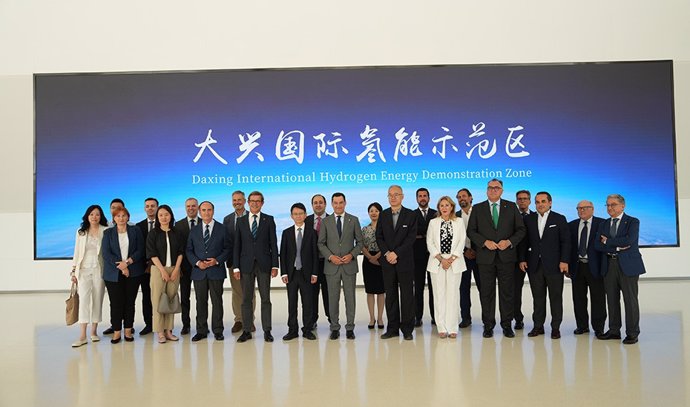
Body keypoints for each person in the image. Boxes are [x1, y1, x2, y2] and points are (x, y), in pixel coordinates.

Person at [466, 178, 525, 339]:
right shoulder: (477, 208)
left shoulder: (511, 207)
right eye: (490, 188)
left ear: (502, 191)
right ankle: (488, 325)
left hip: (506, 257)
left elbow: (520, 230)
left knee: (507, 293)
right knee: (486, 293)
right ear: (486, 190)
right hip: (485, 258)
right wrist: (484, 242)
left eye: (496, 188)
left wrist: (509, 242)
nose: (493, 190)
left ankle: (507, 325)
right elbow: (471, 231)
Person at [594, 194, 646, 344]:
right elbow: (598, 245)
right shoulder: (603, 224)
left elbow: (629, 240)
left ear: (622, 206)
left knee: (630, 301)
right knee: (611, 299)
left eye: (613, 204)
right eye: (608, 205)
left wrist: (608, 242)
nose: (610, 208)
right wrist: (617, 246)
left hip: (628, 266)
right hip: (609, 265)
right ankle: (614, 330)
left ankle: (632, 333)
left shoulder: (632, 221)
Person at [518, 192, 571, 339]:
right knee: (538, 298)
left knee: (555, 297)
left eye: (543, 201)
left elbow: (566, 242)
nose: (540, 204)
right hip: (534, 265)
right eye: (537, 202)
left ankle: (555, 328)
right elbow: (524, 241)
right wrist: (522, 259)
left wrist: (564, 260)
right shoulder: (529, 219)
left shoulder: (559, 219)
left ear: (550, 203)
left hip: (554, 265)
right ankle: (538, 326)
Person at [234, 191, 280, 343]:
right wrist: (236, 267)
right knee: (246, 299)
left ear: (262, 203)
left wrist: (275, 265)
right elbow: (237, 246)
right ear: (248, 202)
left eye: (257, 201)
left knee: (265, 298)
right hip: (245, 265)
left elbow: (273, 243)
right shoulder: (240, 221)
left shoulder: (269, 220)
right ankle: (246, 330)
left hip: (264, 265)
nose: (254, 203)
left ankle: (267, 331)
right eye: (252, 201)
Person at [317, 192, 363, 340]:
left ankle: (350, 327)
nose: (338, 205)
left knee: (350, 298)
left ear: (345, 203)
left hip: (349, 265)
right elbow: (321, 243)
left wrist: (352, 255)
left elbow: (360, 243)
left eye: (340, 202)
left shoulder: (354, 220)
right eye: (335, 203)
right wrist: (330, 257)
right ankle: (335, 327)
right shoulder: (325, 222)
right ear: (332, 204)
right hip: (332, 266)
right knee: (332, 298)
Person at [376, 185, 418, 341]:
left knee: (407, 296)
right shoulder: (384, 215)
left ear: (402, 196)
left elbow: (411, 238)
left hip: (404, 261)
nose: (393, 197)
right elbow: (379, 236)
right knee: (391, 295)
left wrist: (397, 253)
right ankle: (392, 328)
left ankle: (407, 329)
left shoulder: (410, 215)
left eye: (396, 194)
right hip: (388, 262)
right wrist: (388, 253)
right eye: (390, 195)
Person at [186, 201, 231, 342]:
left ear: (213, 211)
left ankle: (218, 330)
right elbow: (189, 250)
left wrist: (216, 261)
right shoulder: (194, 230)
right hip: (199, 272)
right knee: (201, 302)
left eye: (209, 210)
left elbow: (228, 249)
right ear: (199, 212)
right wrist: (198, 263)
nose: (206, 212)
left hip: (216, 271)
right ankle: (201, 330)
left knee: (217, 302)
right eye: (204, 210)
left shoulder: (222, 229)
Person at [101, 207, 146, 343]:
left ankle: (128, 330)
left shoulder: (135, 230)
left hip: (133, 272)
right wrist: (121, 266)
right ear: (114, 218)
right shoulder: (108, 233)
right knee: (116, 303)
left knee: (129, 302)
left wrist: (127, 263)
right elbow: (106, 253)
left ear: (128, 217)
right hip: (113, 274)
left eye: (124, 215)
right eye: (118, 216)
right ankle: (116, 332)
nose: (121, 218)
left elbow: (140, 249)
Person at [426, 196, 466, 338]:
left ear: (452, 207)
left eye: (447, 205)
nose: (444, 208)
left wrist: (451, 259)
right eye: (441, 205)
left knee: (453, 295)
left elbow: (462, 241)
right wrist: (441, 259)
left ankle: (453, 327)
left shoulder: (459, 222)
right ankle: (441, 327)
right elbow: (429, 242)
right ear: (438, 208)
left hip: (455, 263)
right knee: (439, 295)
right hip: (437, 263)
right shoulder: (433, 222)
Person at [70, 205, 108, 347]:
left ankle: (94, 332)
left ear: (101, 216)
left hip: (99, 269)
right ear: (87, 216)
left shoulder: (106, 230)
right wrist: (73, 271)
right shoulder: (81, 232)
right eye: (91, 214)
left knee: (97, 299)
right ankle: (82, 335)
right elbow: (76, 252)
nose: (94, 217)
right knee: (84, 300)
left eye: (97, 214)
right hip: (83, 270)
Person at [279, 203, 318, 341]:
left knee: (307, 303)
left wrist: (314, 273)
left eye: (301, 213)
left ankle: (307, 330)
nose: (298, 216)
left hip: (307, 274)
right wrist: (283, 273)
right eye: (295, 214)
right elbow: (283, 254)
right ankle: (292, 330)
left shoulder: (312, 232)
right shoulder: (286, 232)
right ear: (291, 216)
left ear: (305, 215)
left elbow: (315, 254)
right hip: (291, 273)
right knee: (292, 303)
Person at [146, 205, 185, 344]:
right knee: (157, 301)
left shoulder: (177, 232)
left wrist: (176, 270)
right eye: (161, 215)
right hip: (158, 270)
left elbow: (181, 252)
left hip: (174, 270)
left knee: (170, 300)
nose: (164, 217)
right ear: (157, 217)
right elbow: (151, 253)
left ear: (171, 215)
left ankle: (169, 331)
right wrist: (162, 270)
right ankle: (160, 332)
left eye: (166, 214)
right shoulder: (153, 233)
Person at [568, 200, 606, 337]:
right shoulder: (571, 225)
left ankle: (599, 328)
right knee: (578, 299)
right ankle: (582, 326)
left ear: (592, 209)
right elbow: (568, 247)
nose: (582, 210)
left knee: (598, 299)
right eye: (579, 208)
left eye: (585, 208)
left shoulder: (602, 224)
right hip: (577, 267)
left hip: (595, 268)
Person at [223, 190, 256, 334]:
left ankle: (249, 320)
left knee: (249, 292)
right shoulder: (227, 219)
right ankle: (239, 320)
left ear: (245, 201)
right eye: (234, 200)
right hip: (233, 261)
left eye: (239, 200)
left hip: (249, 261)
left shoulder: (252, 217)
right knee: (237, 292)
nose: (237, 202)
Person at [173, 197, 199, 335]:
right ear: (185, 208)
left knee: (201, 298)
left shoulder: (204, 222)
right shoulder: (179, 225)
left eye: (193, 206)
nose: (191, 208)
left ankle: (202, 325)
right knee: (185, 297)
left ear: (198, 207)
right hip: (184, 267)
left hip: (201, 267)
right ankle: (186, 325)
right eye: (188, 206)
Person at [456, 188, 481, 328]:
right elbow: (454, 239)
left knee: (484, 289)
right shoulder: (456, 216)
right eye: (459, 197)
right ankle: (466, 318)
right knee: (463, 289)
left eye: (464, 196)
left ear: (471, 197)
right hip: (462, 256)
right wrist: (465, 250)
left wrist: (476, 250)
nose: (461, 199)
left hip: (480, 256)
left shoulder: (480, 213)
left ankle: (487, 318)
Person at [305, 193, 330, 330]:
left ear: (325, 204)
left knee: (329, 294)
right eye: (315, 202)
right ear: (312, 205)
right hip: (311, 265)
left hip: (328, 263)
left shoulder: (332, 219)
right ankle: (312, 320)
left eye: (321, 202)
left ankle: (332, 321)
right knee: (311, 294)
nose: (318, 204)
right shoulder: (306, 220)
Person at [413, 188, 436, 326]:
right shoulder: (411, 215)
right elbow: (413, 233)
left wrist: (421, 234)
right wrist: (427, 233)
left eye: (425, 196)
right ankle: (417, 317)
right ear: (416, 199)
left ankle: (435, 316)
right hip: (417, 256)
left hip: (434, 256)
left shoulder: (436, 213)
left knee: (435, 288)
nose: (422, 198)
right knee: (418, 288)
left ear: (429, 198)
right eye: (420, 196)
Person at [135, 197, 158, 336]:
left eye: (153, 206)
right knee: (147, 296)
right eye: (147, 206)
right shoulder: (138, 226)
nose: (150, 208)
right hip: (144, 268)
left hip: (161, 266)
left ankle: (161, 324)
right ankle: (149, 324)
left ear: (157, 207)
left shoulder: (164, 223)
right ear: (144, 208)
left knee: (161, 296)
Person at [361, 202, 385, 330]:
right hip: (368, 260)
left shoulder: (385, 228)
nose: (374, 213)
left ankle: (380, 318)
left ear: (380, 212)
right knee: (370, 291)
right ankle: (372, 318)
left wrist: (378, 257)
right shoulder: (364, 229)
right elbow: (361, 245)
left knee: (381, 291)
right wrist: (370, 257)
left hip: (382, 259)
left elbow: (387, 244)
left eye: (376, 210)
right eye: (371, 211)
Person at [513, 190, 532, 330]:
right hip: (515, 260)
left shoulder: (537, 216)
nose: (522, 201)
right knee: (515, 291)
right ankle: (518, 319)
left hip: (534, 259)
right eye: (519, 199)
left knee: (538, 291)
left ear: (530, 201)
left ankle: (538, 321)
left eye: (525, 199)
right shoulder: (511, 216)